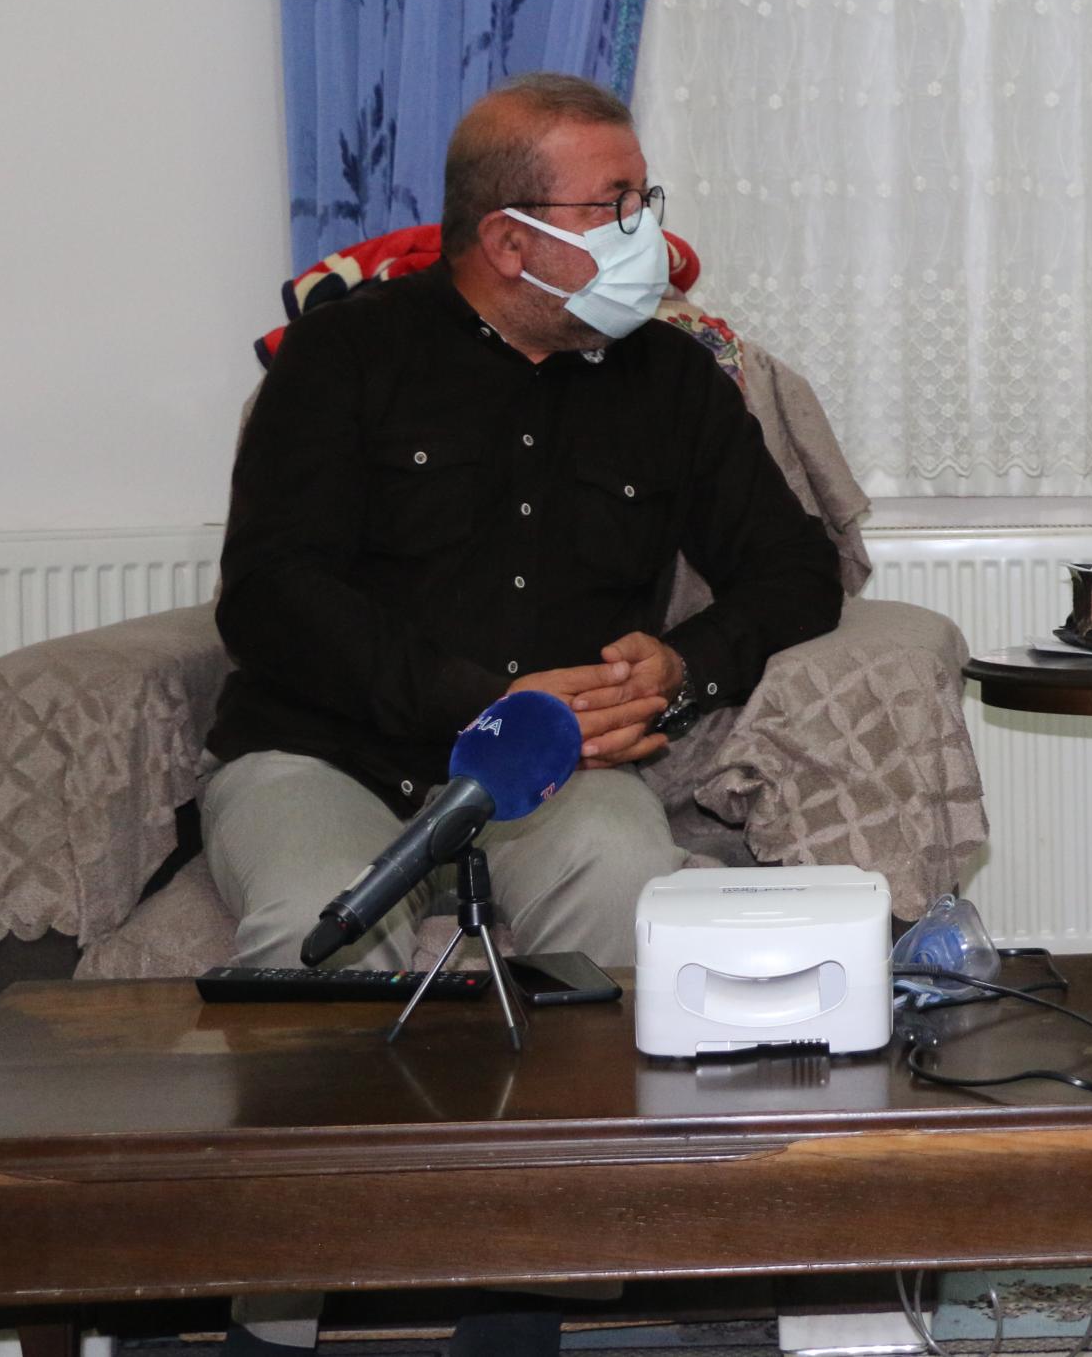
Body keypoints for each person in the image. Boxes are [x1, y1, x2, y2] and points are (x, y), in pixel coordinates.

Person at [202, 72, 844, 1355]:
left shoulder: (669, 379)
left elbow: (795, 569)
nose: (649, 234)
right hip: (328, 754)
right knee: (312, 934)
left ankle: (552, 1285)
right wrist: (480, 701)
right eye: (617, 205)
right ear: (508, 239)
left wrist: (679, 668)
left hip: (554, 778)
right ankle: (277, 1314)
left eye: (645, 198)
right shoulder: (346, 356)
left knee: (626, 881)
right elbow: (270, 595)